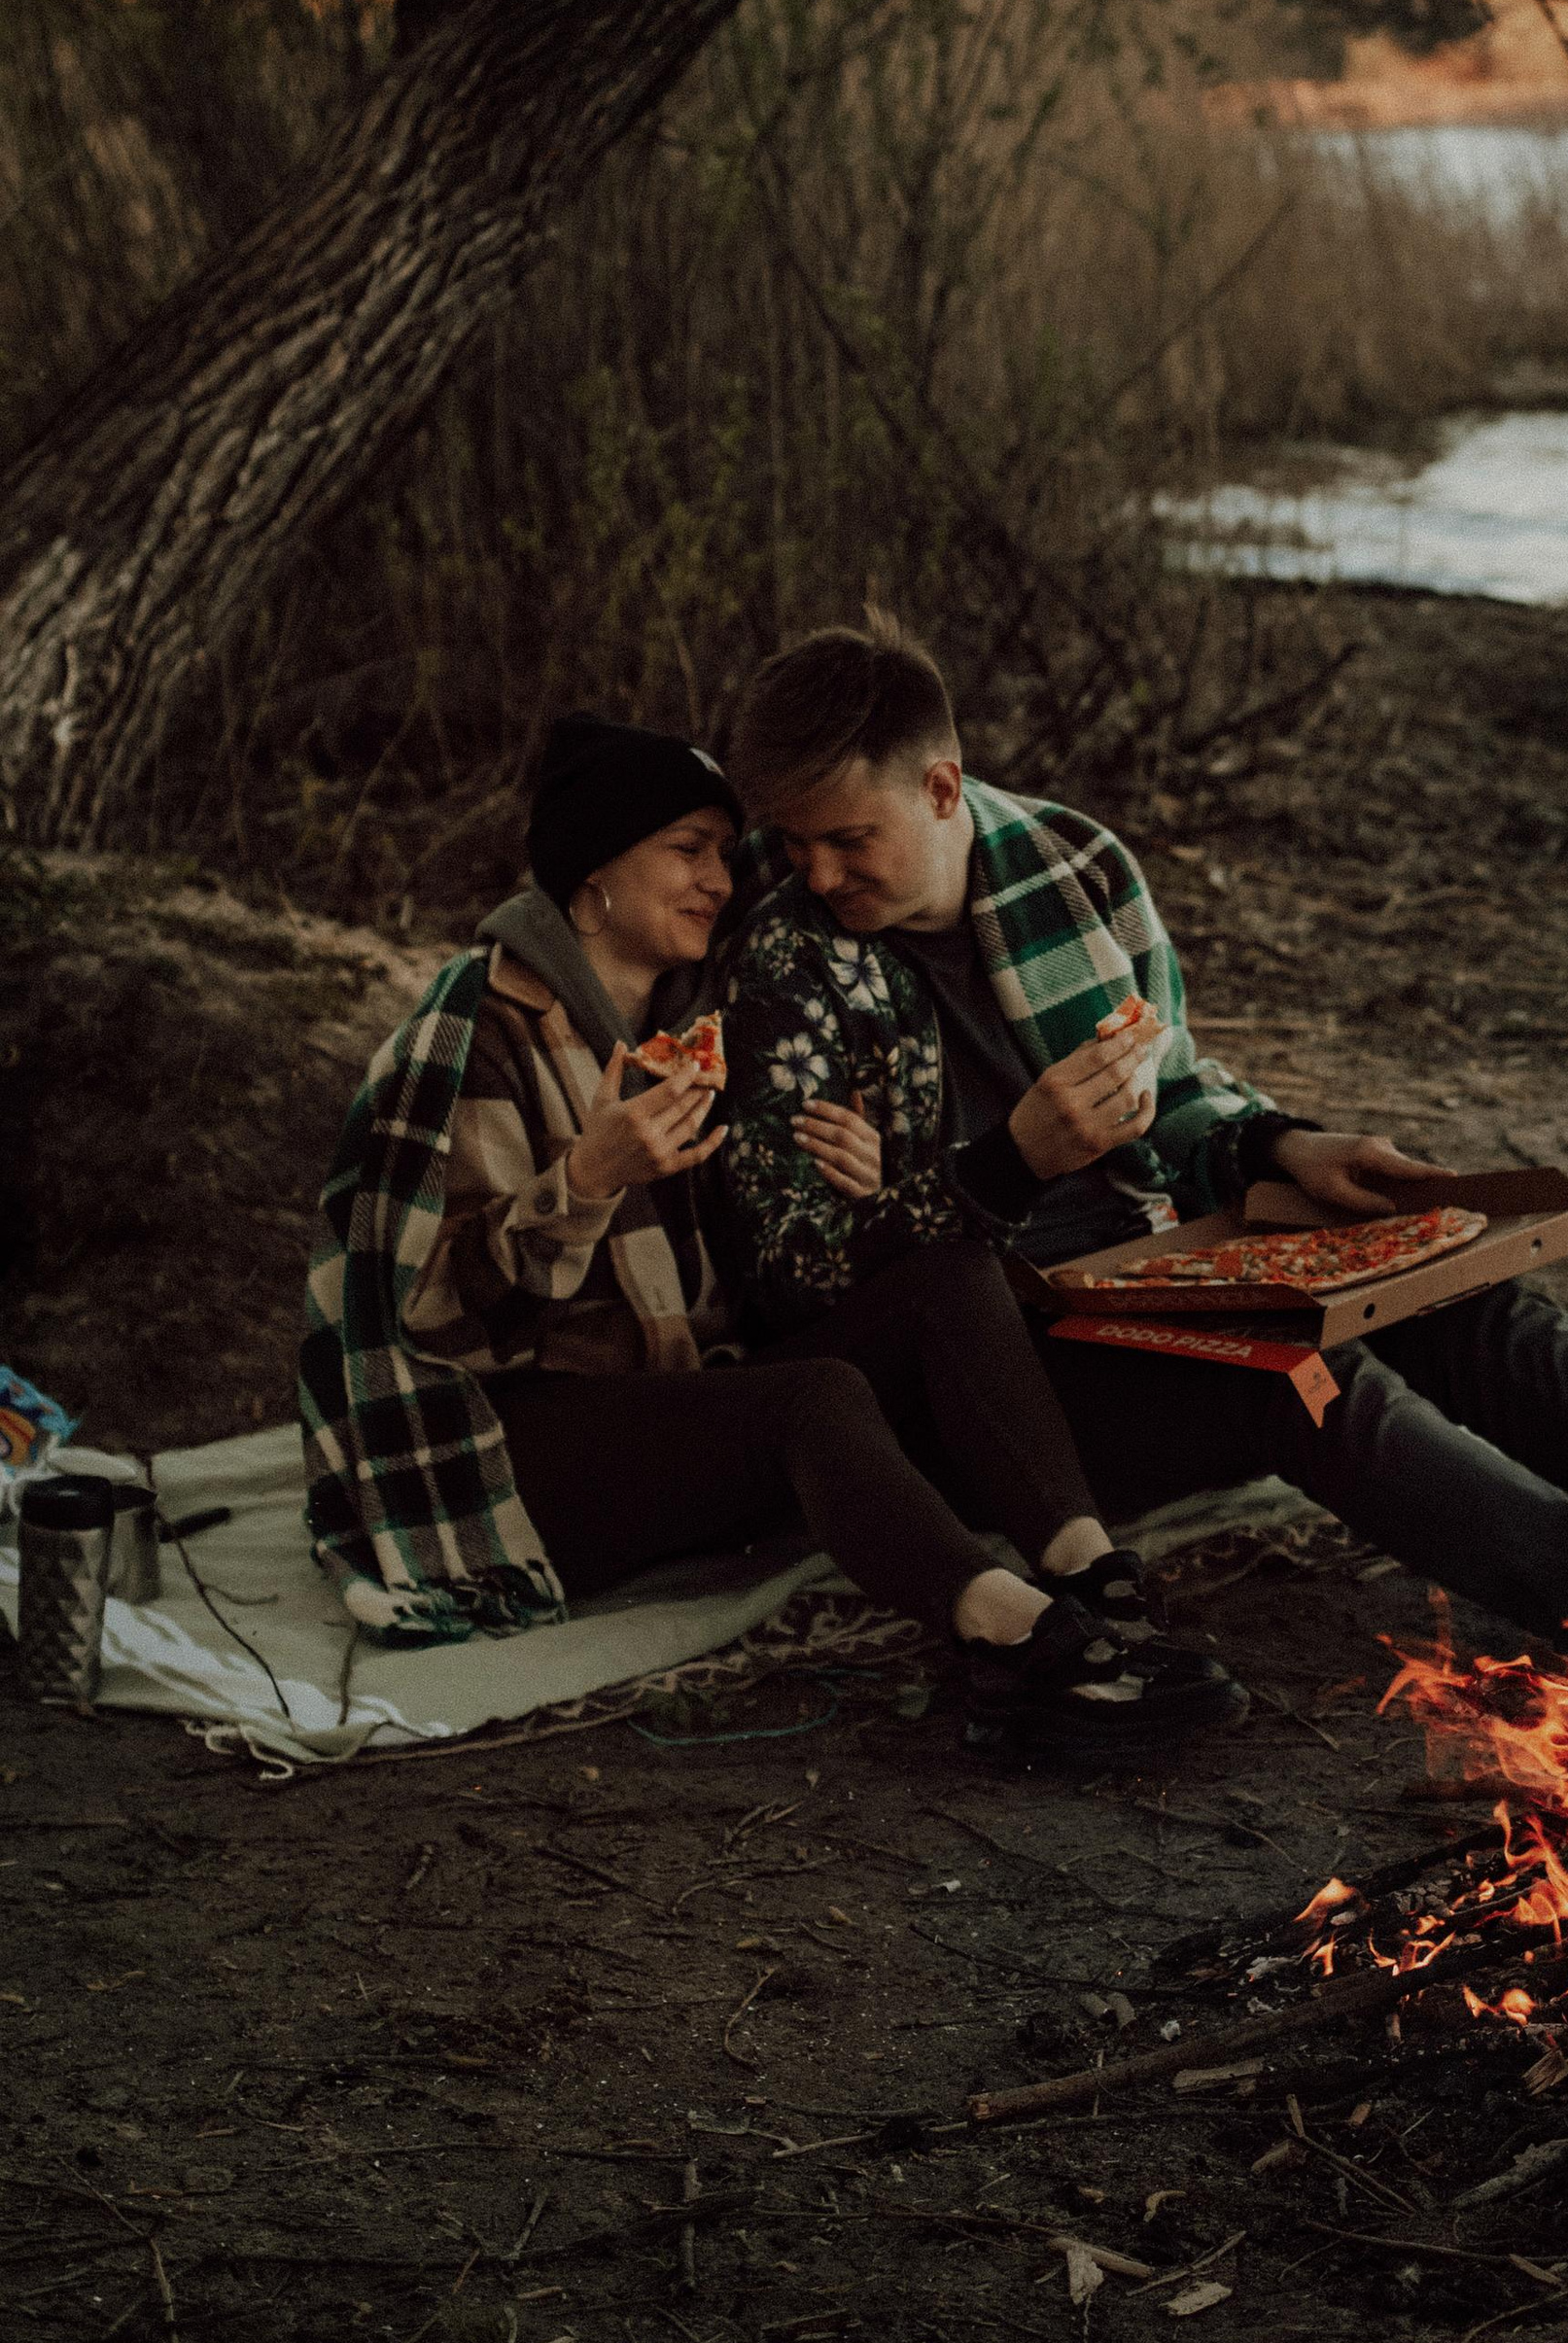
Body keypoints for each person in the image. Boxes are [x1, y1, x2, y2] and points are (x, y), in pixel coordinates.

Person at [715, 624, 1568, 1719]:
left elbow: (1179, 1096)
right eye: (794, 840)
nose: (816, 871)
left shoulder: (1070, 865)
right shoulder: (794, 963)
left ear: (943, 788)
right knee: (1300, 1370)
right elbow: (817, 1286)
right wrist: (1010, 1163)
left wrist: (1283, 1144)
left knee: (1461, 1299)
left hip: (1153, 1252)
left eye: (850, 838)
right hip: (1008, 1359)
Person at [300, 713, 1241, 1754]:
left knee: (950, 1264)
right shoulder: (472, 1033)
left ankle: (1095, 1584)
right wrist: (586, 1178)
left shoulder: (690, 1010)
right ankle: (1014, 1649)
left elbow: (767, 1268)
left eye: (722, 849)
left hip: (677, 1392)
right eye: (687, 850)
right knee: (812, 1398)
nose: (722, 876)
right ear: (593, 873)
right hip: (514, 1444)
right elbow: (428, 1319)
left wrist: (872, 1188)